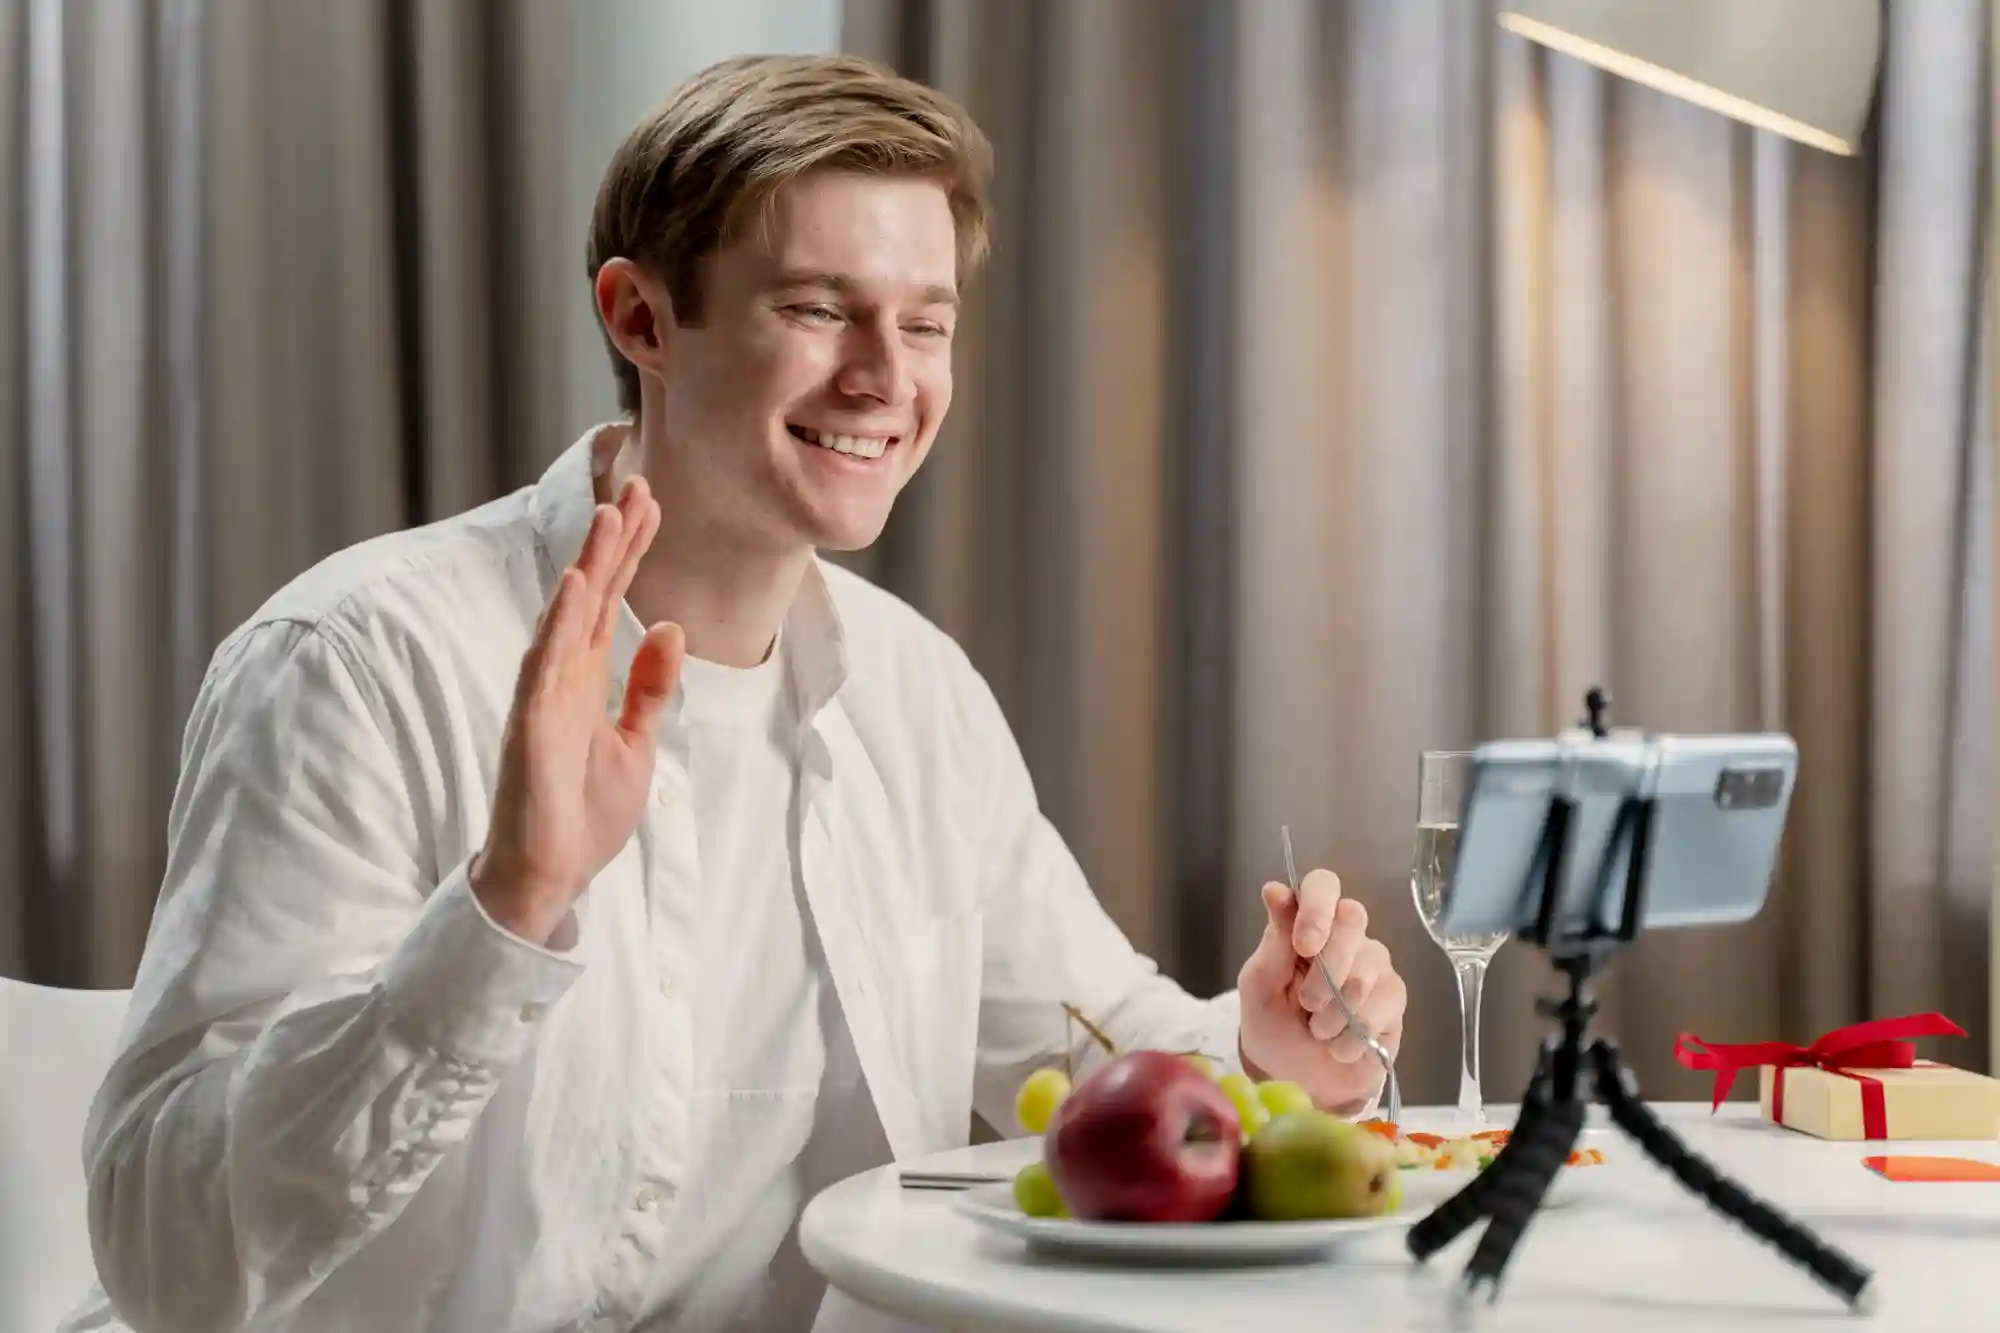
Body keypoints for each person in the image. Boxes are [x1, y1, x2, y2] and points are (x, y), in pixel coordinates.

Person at [60, 53, 1408, 1333]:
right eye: (818, 309)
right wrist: (503, 911)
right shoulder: (360, 661)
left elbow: (1093, 1048)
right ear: (641, 317)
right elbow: (170, 1255)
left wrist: (1283, 1058)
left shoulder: (916, 699)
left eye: (924, 322)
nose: (886, 376)